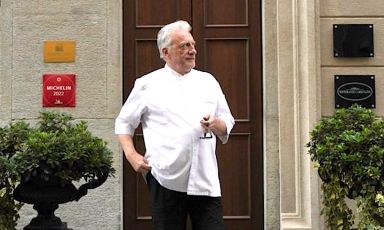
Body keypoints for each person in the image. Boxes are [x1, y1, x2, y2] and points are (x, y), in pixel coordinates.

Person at [115, 20, 235, 230]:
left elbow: (227, 123)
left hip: (205, 178)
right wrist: (131, 155)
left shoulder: (208, 81)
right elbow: (124, 122)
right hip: (165, 177)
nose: (192, 51)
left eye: (193, 45)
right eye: (184, 46)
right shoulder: (147, 84)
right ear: (166, 51)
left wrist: (216, 123)